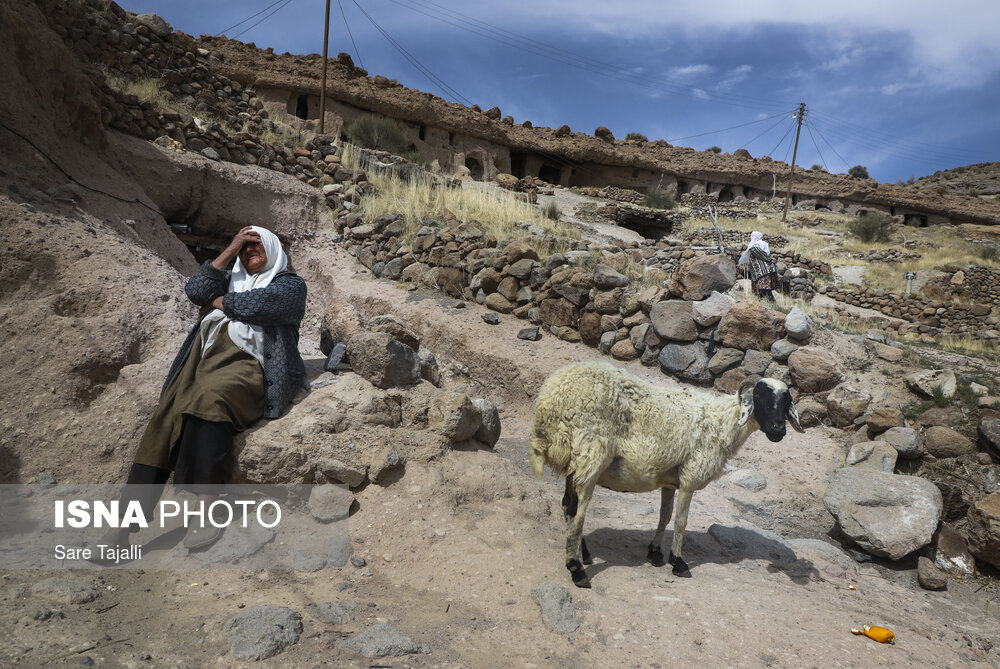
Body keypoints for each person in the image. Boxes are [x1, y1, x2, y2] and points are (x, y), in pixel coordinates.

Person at [97, 226, 306, 555]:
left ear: (272, 247)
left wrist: (219, 302)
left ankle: (209, 507)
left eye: (255, 245)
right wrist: (230, 247)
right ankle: (122, 526)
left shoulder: (290, 284)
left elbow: (265, 305)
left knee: (210, 399)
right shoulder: (231, 276)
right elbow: (195, 289)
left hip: (249, 364)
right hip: (201, 358)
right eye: (243, 248)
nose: (248, 252)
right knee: (163, 422)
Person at [738, 231, 779, 302]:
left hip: (763, 272)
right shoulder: (762, 244)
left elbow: (762, 255)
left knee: (764, 288)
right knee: (763, 289)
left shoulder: (754, 247)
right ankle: (765, 303)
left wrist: (770, 259)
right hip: (765, 271)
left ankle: (771, 303)